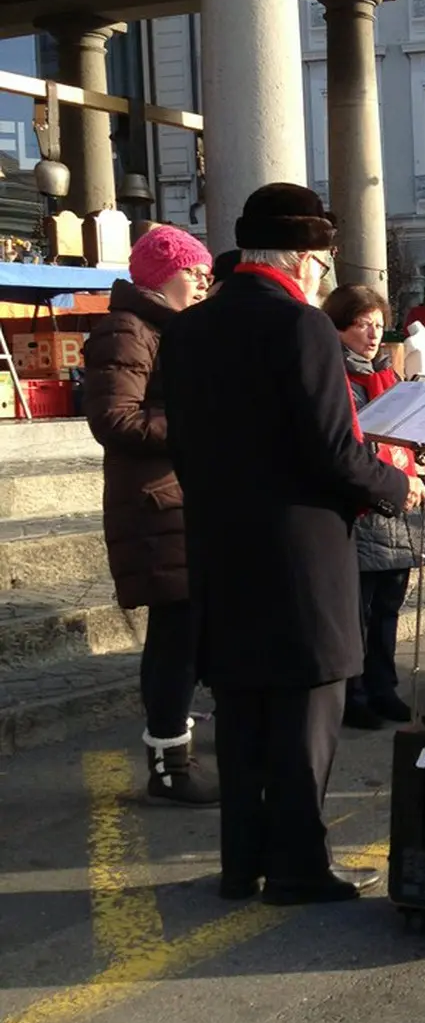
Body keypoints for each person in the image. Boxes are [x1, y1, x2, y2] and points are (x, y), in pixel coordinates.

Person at [162, 184, 422, 904]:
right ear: (306, 259)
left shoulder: (187, 329)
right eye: (323, 264)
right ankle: (300, 869)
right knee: (307, 720)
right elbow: (333, 451)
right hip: (300, 558)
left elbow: (182, 448)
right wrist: (399, 488)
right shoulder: (302, 327)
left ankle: (242, 865)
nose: (323, 277)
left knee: (243, 715)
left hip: (221, 548)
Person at [82, 225, 216, 804]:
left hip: (181, 498)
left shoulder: (168, 328)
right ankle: (169, 767)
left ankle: (177, 745)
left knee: (187, 633)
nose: (204, 284)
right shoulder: (126, 328)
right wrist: (201, 427)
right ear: (165, 276)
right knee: (174, 637)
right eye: (195, 274)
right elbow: (114, 420)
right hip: (158, 504)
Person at [322, 283, 420, 730]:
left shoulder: (389, 375)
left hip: (398, 505)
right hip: (362, 508)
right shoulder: (332, 374)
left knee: (387, 610)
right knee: (356, 615)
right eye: (363, 323)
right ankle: (354, 693)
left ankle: (384, 687)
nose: (373, 333)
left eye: (379, 325)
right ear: (340, 323)